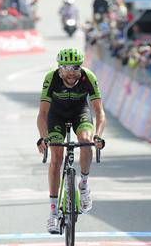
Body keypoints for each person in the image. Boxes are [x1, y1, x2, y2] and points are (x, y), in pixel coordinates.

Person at [36, 48, 106, 234]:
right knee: (57, 156)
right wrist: (44, 138)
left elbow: (99, 111)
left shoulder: (88, 77)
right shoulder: (51, 78)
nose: (71, 72)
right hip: (55, 115)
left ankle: (83, 184)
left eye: (75, 67)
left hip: (80, 113)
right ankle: (52, 214)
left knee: (85, 140)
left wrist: (98, 135)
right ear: (59, 68)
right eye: (66, 67)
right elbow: (43, 113)